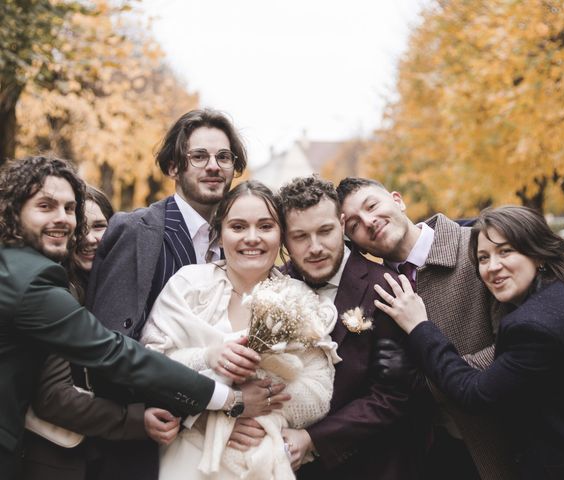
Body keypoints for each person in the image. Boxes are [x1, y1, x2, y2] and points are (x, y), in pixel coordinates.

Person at [0, 156, 259, 479]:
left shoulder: (15, 267)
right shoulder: (32, 279)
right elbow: (115, 353)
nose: (63, 219)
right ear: (13, 210)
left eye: (69, 209)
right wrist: (224, 397)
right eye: (45, 206)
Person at [375, 205, 564, 479]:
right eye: (483, 258)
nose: (493, 266)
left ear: (536, 252)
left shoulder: (533, 323)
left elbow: (474, 393)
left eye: (506, 252)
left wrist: (420, 327)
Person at [84, 108, 247, 479]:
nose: (213, 166)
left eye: (224, 157)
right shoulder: (135, 231)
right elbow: (111, 347)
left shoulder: (235, 241)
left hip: (218, 447)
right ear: (174, 166)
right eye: (199, 156)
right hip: (144, 443)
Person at [141, 180, 339, 480]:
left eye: (265, 226)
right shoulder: (188, 286)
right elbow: (150, 366)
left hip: (265, 458)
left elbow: (319, 390)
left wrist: (266, 410)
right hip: (189, 460)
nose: (252, 238)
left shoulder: (300, 299)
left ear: (280, 235)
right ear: (220, 233)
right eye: (238, 226)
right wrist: (213, 378)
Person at [337, 176, 514, 479]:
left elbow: (516, 352)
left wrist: (424, 385)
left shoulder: (478, 249)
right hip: (427, 456)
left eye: (372, 205)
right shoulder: (372, 292)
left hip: (506, 444)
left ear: (398, 199)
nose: (368, 221)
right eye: (353, 225)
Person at [264, 176, 427, 479]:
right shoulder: (271, 290)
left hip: (369, 465)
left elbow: (391, 395)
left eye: (325, 231)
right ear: (284, 239)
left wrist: (313, 439)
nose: (315, 248)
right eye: (300, 236)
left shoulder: (385, 287)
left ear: (341, 224)